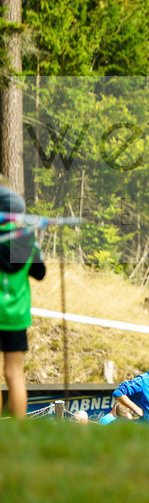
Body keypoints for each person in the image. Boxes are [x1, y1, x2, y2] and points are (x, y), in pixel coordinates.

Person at [0, 178, 47, 419]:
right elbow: (40, 273)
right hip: (16, 316)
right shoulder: (26, 240)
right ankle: (18, 429)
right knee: (15, 374)